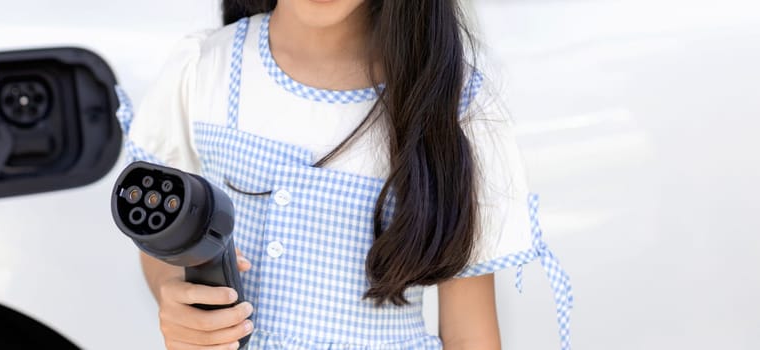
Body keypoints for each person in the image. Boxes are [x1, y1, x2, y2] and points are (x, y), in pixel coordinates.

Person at [116, 0, 573, 349]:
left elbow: (469, 332)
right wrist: (176, 299)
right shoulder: (204, 67)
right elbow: (162, 239)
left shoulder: (454, 107)